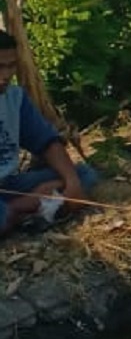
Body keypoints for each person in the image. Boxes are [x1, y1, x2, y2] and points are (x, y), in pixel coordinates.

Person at [0, 31, 97, 235]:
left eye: (11, 66)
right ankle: (25, 209)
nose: (6, 75)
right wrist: (28, 200)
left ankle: (22, 214)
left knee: (84, 174)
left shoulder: (15, 98)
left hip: (9, 184)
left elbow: (47, 142)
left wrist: (71, 183)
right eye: (0, 67)